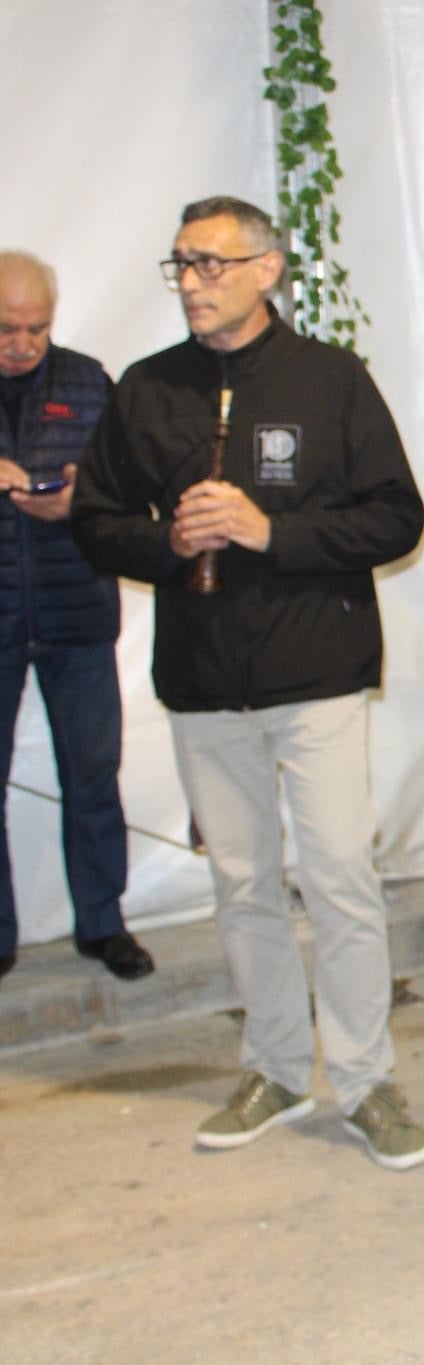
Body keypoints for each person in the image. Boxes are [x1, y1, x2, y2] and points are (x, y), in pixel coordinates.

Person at [71, 197, 424, 1170]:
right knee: (241, 885)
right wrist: (164, 540)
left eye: (213, 264)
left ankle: (363, 1081)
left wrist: (273, 533)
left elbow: (397, 518)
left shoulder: (331, 381)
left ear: (269, 269)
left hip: (316, 675)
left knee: (341, 879)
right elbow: (95, 521)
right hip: (201, 681)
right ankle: (274, 1065)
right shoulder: (147, 390)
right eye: (181, 265)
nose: (193, 282)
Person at [0, 251, 150, 986]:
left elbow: (135, 484)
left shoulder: (90, 382)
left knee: (93, 772)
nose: (22, 343)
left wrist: (79, 497)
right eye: (5, 329)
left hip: (78, 611)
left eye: (36, 327)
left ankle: (104, 923)